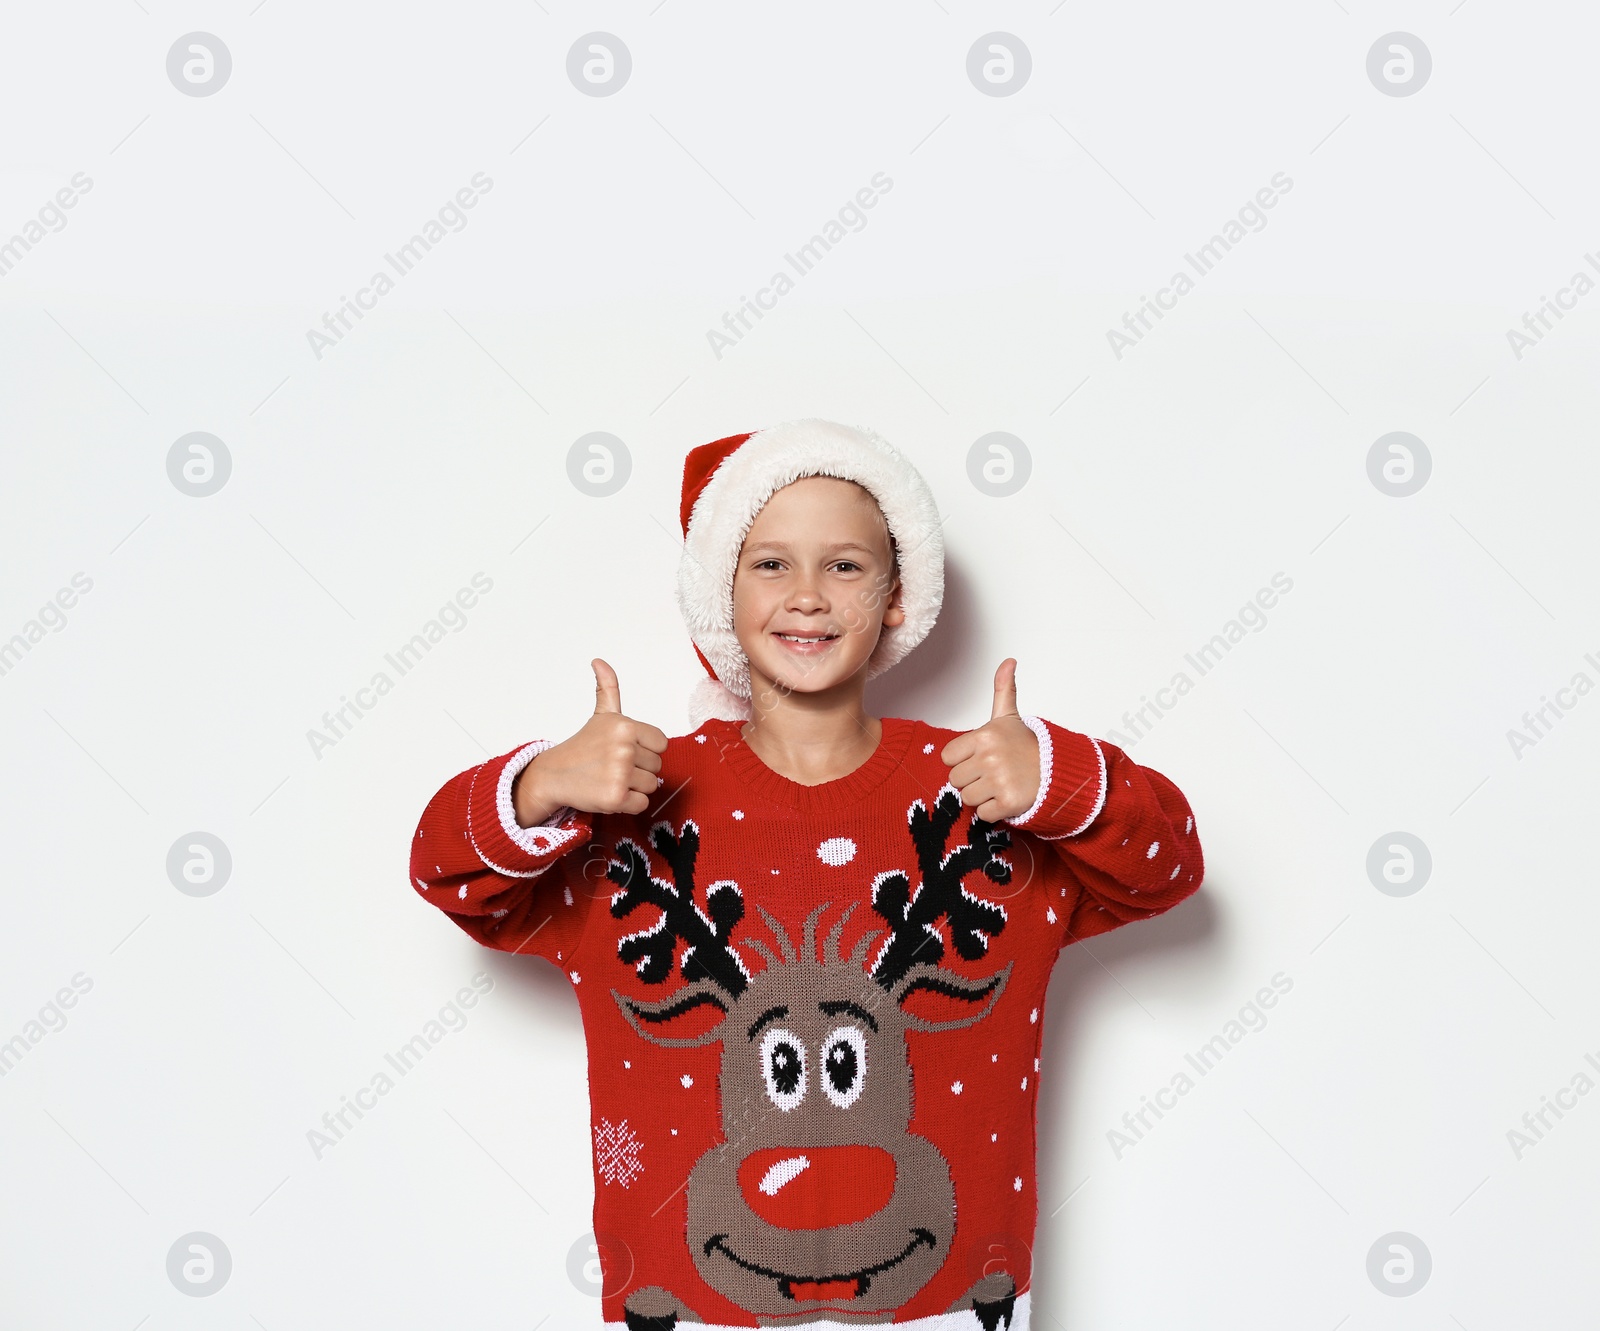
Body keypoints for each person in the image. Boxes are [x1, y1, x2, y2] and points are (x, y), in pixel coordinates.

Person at [410, 418, 1203, 1331]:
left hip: (947, 1305)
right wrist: (540, 782)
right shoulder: (630, 805)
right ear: (721, 592)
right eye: (771, 564)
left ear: (898, 595)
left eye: (847, 566)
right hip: (693, 1305)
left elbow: (1169, 867)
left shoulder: (985, 796)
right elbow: (447, 873)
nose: (810, 597)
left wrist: (1058, 784)